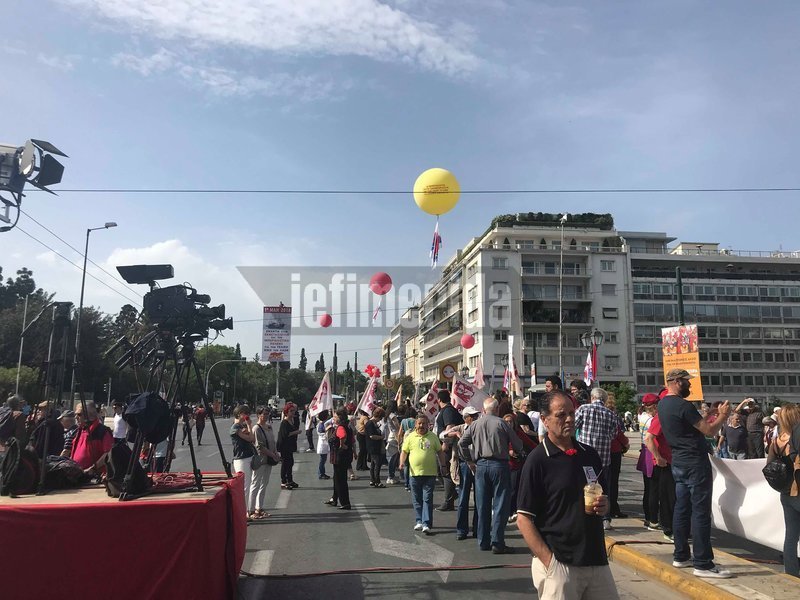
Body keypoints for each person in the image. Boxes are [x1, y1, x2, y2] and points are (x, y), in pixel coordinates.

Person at [516, 391, 619, 600]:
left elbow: (604, 497)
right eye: (561, 415)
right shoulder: (538, 460)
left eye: (572, 413)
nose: (570, 419)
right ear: (545, 420)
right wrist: (550, 562)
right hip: (560, 562)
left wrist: (604, 505)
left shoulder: (589, 454)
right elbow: (523, 518)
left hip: (596, 558)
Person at [658, 368, 732, 579]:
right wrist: (723, 417)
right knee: (700, 512)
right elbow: (709, 431)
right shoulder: (682, 405)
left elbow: (690, 426)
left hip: (679, 461)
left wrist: (710, 415)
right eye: (686, 382)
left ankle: (681, 555)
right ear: (676, 381)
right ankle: (703, 563)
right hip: (694, 462)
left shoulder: (663, 404)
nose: (690, 385)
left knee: (682, 508)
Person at [459, 397, 523, 553]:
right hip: (500, 465)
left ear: (483, 409)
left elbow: (462, 443)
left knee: (482, 505)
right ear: (496, 409)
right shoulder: (502, 423)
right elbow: (518, 445)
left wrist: (469, 460)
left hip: (481, 465)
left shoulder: (474, 424)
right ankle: (497, 542)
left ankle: (483, 541)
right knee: (500, 505)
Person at [574, 387, 624, 530]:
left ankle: (584, 514)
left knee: (584, 486)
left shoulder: (583, 409)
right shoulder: (611, 414)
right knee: (603, 487)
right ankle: (605, 518)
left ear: (592, 397)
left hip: (584, 455)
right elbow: (614, 434)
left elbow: (574, 426)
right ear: (604, 400)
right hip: (603, 457)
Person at [766, 403, 800, 578]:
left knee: (791, 535)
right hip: (797, 489)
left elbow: (769, 464)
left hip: (785, 492)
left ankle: (791, 573)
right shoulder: (795, 438)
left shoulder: (777, 440)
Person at [399, 415, 446, 534]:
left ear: (428, 425)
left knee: (427, 498)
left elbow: (440, 452)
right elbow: (404, 451)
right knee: (417, 499)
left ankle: (426, 523)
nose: (421, 426)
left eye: (424, 423)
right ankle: (419, 520)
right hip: (414, 474)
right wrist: (401, 463)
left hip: (430, 474)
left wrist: (443, 466)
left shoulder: (433, 437)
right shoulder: (410, 437)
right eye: (419, 423)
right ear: (415, 425)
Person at [442, 406, 480, 540]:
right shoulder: (461, 428)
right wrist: (453, 434)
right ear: (466, 418)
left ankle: (478, 529)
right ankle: (462, 530)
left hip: (477, 464)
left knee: (479, 499)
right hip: (464, 464)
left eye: (476, 416)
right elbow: (442, 435)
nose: (475, 418)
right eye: (472, 416)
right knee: (463, 497)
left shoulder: (479, 427)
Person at [644, 400, 676, 542]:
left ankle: (665, 524)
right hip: (665, 462)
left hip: (670, 460)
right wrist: (658, 457)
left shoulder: (665, 416)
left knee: (663, 494)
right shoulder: (661, 417)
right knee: (666, 496)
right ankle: (668, 528)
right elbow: (649, 438)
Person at [503, 412, 537, 523]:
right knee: (506, 490)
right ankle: (506, 511)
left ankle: (513, 511)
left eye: (510, 421)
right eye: (506, 421)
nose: (508, 423)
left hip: (516, 465)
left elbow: (531, 444)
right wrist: (508, 451)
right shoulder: (501, 432)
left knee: (515, 489)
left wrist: (541, 451)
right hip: (504, 465)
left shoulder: (518, 433)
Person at [434, 389, 463, 511]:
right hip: (442, 445)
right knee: (440, 471)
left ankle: (448, 500)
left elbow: (450, 428)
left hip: (447, 447)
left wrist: (445, 444)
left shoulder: (448, 411)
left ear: (439, 400)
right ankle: (451, 495)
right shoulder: (446, 410)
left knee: (445, 472)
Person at [636, 394, 660, 530]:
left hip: (645, 452)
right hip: (652, 452)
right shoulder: (652, 419)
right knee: (654, 489)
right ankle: (653, 519)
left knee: (648, 488)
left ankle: (648, 517)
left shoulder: (642, 417)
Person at [252, 406, 280, 519]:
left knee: (264, 485)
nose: (266, 416)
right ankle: (251, 509)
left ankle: (259, 508)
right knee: (255, 484)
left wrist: (276, 452)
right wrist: (272, 454)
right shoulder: (256, 428)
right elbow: (259, 447)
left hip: (269, 459)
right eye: (264, 414)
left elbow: (272, 442)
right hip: (260, 460)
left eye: (267, 414)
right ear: (259, 415)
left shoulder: (269, 427)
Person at [70, 401, 114, 475]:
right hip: (77, 475)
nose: (76, 417)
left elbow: (109, 453)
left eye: (79, 414)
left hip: (94, 477)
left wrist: (93, 468)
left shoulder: (102, 431)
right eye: (75, 414)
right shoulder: (79, 430)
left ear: (90, 416)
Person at [324, 408, 355, 510]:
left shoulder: (341, 427)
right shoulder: (347, 426)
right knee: (336, 478)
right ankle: (334, 498)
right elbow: (352, 440)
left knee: (340, 480)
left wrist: (342, 445)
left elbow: (342, 436)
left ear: (339, 418)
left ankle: (345, 502)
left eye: (335, 417)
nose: (333, 418)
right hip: (344, 456)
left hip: (340, 456)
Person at [230, 404, 256, 517]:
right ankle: (239, 514)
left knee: (248, 485)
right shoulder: (235, 428)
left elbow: (252, 439)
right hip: (241, 459)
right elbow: (250, 438)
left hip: (248, 456)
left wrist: (248, 426)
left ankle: (244, 512)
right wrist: (249, 426)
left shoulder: (241, 426)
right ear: (239, 414)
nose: (247, 415)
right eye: (245, 413)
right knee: (243, 487)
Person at [606, 396, 630, 519]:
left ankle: (609, 508)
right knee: (613, 481)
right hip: (614, 450)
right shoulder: (612, 416)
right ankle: (613, 507)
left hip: (602, 450)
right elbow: (618, 433)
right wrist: (626, 444)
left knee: (605, 481)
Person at [277, 403, 301, 489]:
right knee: (285, 464)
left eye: (293, 411)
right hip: (284, 446)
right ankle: (284, 481)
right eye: (291, 411)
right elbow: (285, 434)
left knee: (290, 463)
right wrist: (296, 432)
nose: (293, 413)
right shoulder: (285, 422)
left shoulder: (292, 421)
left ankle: (290, 480)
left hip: (290, 446)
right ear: (286, 412)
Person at [365, 407, 387, 488]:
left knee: (373, 465)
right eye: (380, 418)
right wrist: (381, 437)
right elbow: (371, 436)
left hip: (374, 446)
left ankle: (372, 480)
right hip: (373, 446)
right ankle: (377, 481)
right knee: (377, 464)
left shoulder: (374, 423)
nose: (380, 419)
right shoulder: (370, 423)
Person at [538, 376, 563, 442]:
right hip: (549, 438)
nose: (546, 389)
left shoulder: (568, 400)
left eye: (548, 386)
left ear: (556, 386)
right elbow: (542, 426)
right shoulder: (545, 401)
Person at [385, 402, 402, 485]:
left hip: (390, 437)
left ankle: (391, 475)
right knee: (393, 459)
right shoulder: (392, 415)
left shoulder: (387, 415)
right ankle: (390, 476)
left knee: (392, 459)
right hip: (394, 437)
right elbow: (397, 427)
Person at [316, 410, 331, 479]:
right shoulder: (322, 424)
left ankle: (322, 473)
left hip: (324, 444)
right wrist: (327, 429)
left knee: (323, 460)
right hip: (323, 444)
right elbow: (322, 432)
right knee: (322, 460)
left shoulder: (323, 423)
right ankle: (321, 473)